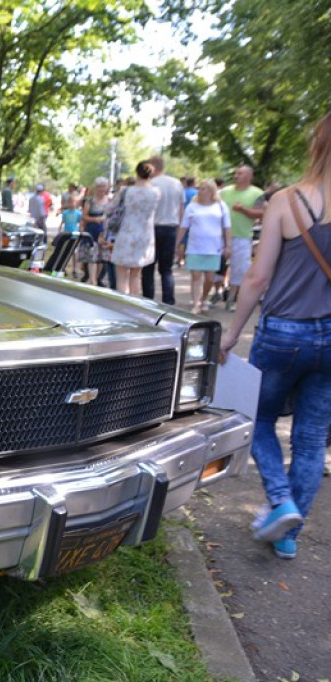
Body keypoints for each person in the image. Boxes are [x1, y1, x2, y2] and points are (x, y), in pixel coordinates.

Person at [218, 109, 331, 560]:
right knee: (311, 436)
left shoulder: (287, 200)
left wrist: (231, 334)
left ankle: (280, 501)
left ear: (315, 145)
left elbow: (258, 279)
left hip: (284, 332)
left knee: (258, 419)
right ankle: (287, 533)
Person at [176, 180, 231, 313]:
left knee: (210, 278)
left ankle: (204, 298)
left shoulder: (221, 206)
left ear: (212, 191)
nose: (200, 191)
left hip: (214, 247)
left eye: (204, 189)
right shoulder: (192, 206)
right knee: (195, 275)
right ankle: (196, 303)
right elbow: (184, 226)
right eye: (200, 188)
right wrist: (177, 243)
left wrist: (228, 245)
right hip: (195, 246)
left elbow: (227, 227)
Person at [110, 161, 160, 295]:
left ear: (137, 172)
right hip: (145, 235)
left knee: (121, 275)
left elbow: (110, 208)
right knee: (136, 275)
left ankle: (122, 303)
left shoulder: (126, 191)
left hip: (127, 232)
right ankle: (134, 305)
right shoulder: (156, 193)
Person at [219, 165, 264, 311]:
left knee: (239, 269)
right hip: (219, 236)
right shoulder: (225, 192)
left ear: (249, 177)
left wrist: (243, 209)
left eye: (241, 173)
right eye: (236, 173)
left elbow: (261, 213)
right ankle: (218, 292)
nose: (236, 175)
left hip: (242, 236)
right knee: (216, 268)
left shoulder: (257, 193)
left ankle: (232, 299)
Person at [141, 156, 183, 305]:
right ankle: (168, 301)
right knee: (166, 269)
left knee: (148, 268)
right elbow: (181, 208)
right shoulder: (176, 183)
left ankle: (148, 300)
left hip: (152, 228)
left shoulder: (150, 184)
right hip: (170, 228)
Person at [79, 178, 109, 284]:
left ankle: (97, 278)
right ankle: (92, 280)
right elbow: (84, 216)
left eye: (103, 186)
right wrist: (95, 219)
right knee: (92, 256)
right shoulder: (90, 200)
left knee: (101, 256)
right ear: (96, 187)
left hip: (104, 231)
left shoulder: (110, 200)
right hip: (92, 230)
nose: (101, 189)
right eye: (99, 186)